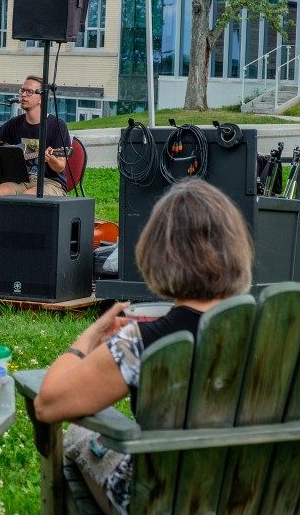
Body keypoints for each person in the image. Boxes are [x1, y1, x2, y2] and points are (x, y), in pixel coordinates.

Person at [33, 178, 253, 515]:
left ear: (158, 254)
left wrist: (89, 338)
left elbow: (48, 404)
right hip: (268, 492)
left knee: (80, 436)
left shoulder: (141, 342)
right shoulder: (294, 335)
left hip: (164, 501)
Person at [0, 75, 70, 196]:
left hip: (51, 183)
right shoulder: (16, 123)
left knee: (29, 196)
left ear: (41, 98)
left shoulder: (57, 125)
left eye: (29, 92)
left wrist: (50, 158)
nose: (23, 95)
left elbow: (60, 166)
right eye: (22, 90)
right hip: (23, 180)